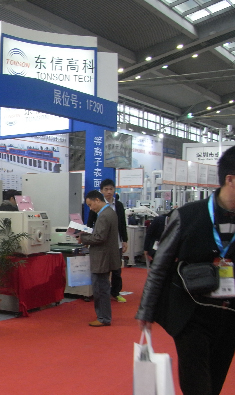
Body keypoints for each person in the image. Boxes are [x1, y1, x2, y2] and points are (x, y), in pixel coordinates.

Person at [136, 146, 235, 395]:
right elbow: (160, 265)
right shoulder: (187, 215)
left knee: (214, 384)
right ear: (230, 179)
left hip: (230, 319)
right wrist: (146, 309)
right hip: (191, 315)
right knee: (197, 387)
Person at [78, 190, 120, 327]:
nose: (91, 208)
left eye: (91, 205)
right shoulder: (109, 212)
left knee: (100, 289)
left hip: (102, 258)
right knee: (103, 288)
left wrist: (83, 238)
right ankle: (104, 316)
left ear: (97, 200)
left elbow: (99, 237)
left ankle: (103, 318)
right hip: (106, 256)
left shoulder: (104, 215)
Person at [87, 179, 128, 303]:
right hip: (102, 241)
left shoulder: (118, 205)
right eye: (106, 189)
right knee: (102, 269)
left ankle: (116, 292)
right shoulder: (97, 205)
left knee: (116, 269)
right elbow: (90, 222)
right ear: (101, 191)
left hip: (116, 241)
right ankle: (99, 293)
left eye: (111, 189)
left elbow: (122, 223)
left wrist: (125, 240)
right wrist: (87, 236)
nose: (109, 192)